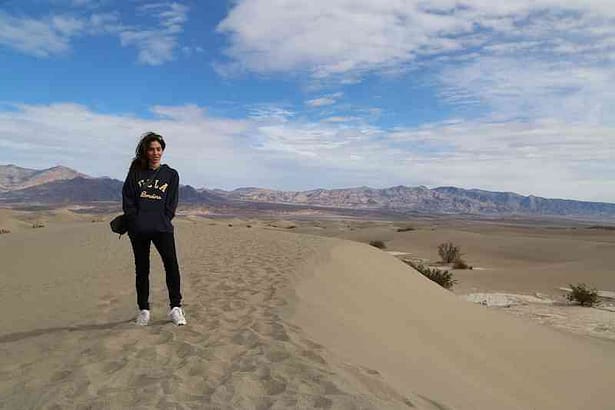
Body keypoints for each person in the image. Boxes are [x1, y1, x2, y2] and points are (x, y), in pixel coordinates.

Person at [122, 131, 186, 326]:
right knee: (142, 269)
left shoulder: (171, 175)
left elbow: (171, 203)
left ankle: (175, 308)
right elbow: (127, 199)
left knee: (171, 266)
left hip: (162, 228)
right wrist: (135, 222)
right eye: (151, 149)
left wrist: (163, 219)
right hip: (139, 230)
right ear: (145, 151)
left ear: (163, 150)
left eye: (158, 149)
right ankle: (144, 310)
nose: (155, 152)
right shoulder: (135, 172)